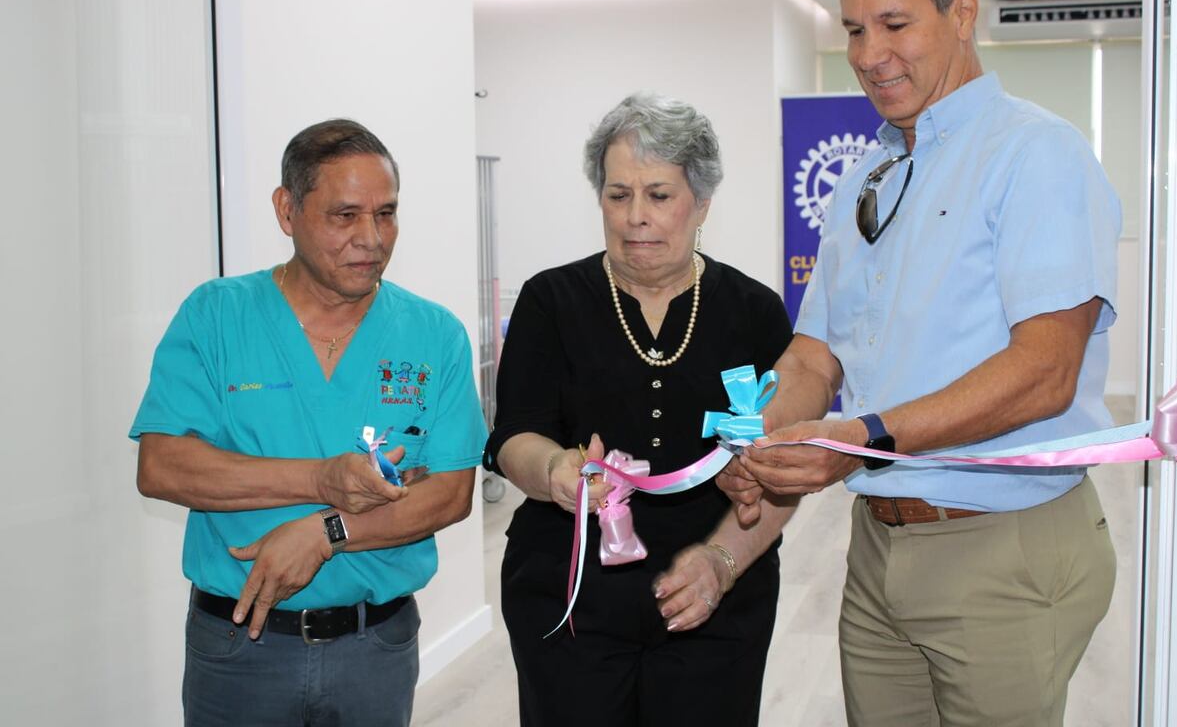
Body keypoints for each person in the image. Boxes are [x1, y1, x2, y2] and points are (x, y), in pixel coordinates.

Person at [719, 0, 1121, 725]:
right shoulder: (863, 178)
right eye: (855, 30)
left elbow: (1046, 372)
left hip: (1005, 548)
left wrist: (855, 440)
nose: (871, 54)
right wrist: (759, 440)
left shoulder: (1035, 155)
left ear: (963, 12)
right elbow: (814, 355)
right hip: (878, 543)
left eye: (896, 25)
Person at [131, 119, 486, 726]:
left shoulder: (434, 335)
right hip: (241, 644)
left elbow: (450, 495)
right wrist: (323, 480)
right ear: (287, 210)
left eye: (387, 213)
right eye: (345, 215)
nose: (371, 238)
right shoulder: (216, 317)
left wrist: (328, 531)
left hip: (375, 647)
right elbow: (162, 466)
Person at [483, 93, 796, 726]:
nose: (635, 218)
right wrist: (555, 473)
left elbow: (783, 466)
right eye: (618, 195)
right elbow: (515, 434)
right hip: (569, 596)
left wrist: (726, 562)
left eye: (659, 195)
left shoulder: (753, 311)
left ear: (702, 203)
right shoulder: (551, 300)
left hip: (716, 589)